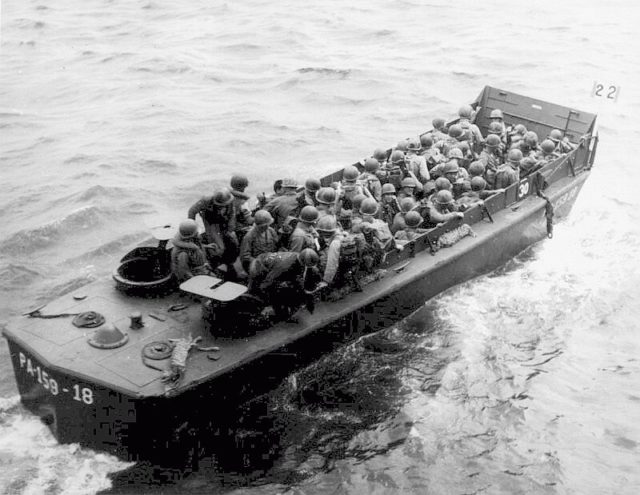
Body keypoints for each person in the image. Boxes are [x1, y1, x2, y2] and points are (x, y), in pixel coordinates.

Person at [248, 249, 321, 320]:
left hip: (269, 263)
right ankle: (268, 313)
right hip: (258, 267)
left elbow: (296, 279)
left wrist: (304, 294)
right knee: (268, 292)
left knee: (284, 288)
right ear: (304, 262)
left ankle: (279, 311)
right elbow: (268, 283)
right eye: (310, 265)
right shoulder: (285, 267)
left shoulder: (298, 257)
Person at [187, 187, 239, 279]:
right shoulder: (205, 200)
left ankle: (229, 263)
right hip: (211, 221)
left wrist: (231, 227)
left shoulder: (230, 199)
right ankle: (214, 264)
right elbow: (192, 212)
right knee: (219, 247)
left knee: (233, 240)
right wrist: (193, 229)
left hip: (224, 219)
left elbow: (232, 213)